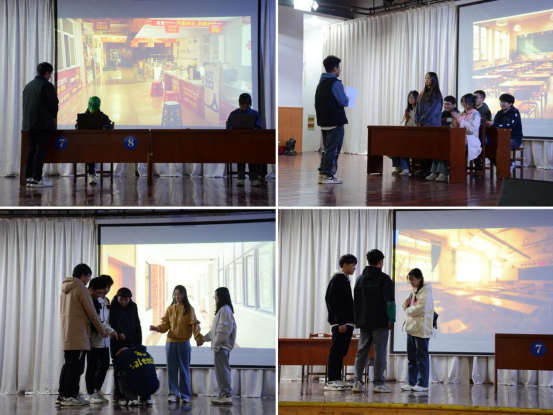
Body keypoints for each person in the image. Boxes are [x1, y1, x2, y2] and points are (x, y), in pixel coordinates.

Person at [57, 264, 116, 406]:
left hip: (68, 332)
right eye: (88, 277)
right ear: (83, 275)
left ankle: (63, 395)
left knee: (68, 365)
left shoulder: (65, 289)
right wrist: (102, 330)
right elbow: (92, 313)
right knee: (76, 367)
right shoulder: (80, 288)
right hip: (79, 333)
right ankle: (70, 395)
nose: (88, 280)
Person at [150, 285, 203, 404]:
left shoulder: (189, 309)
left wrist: (198, 338)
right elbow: (166, 325)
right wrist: (157, 328)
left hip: (184, 343)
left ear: (184, 295)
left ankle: (185, 395)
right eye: (175, 294)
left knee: (184, 369)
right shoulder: (170, 309)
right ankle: (173, 394)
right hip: (170, 343)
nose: (177, 296)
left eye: (179, 294)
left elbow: (194, 325)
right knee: (171, 369)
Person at [352, 249, 395, 393]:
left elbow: (356, 303)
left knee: (361, 352)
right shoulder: (385, 279)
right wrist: (391, 319)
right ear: (380, 262)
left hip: (364, 322)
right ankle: (378, 384)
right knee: (379, 352)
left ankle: (357, 382)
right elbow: (390, 302)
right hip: (381, 322)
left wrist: (358, 320)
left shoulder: (359, 279)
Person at [427, 94, 482, 182]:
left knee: (445, 146)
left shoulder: (475, 114)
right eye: (462, 102)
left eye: (466, 102)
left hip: (470, 139)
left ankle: (443, 173)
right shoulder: (463, 113)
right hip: (459, 138)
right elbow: (455, 127)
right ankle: (435, 171)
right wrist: (454, 124)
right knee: (439, 144)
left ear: (472, 103)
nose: (464, 104)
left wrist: (459, 119)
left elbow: (472, 130)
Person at [22, 62, 59, 188]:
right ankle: (37, 178)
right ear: (47, 73)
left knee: (31, 149)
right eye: (50, 74)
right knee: (40, 150)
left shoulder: (28, 86)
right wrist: (53, 115)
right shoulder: (47, 86)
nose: (50, 76)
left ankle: (29, 178)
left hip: (29, 124)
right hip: (43, 124)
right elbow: (53, 105)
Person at [198, 287, 237, 405]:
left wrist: (217, 344)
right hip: (220, 346)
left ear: (222, 297)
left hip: (221, 347)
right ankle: (224, 394)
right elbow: (215, 331)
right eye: (214, 296)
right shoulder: (222, 310)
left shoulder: (225, 310)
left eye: (217, 296)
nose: (215, 298)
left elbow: (224, 330)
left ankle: (226, 395)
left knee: (223, 371)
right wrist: (203, 339)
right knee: (221, 372)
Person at [323, 254, 357, 391]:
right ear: (345, 265)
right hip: (340, 324)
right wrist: (341, 322)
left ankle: (337, 379)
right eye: (353, 265)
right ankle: (332, 380)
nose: (354, 268)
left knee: (341, 352)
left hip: (346, 322)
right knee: (336, 352)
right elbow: (332, 300)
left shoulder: (344, 279)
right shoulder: (338, 278)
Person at [315, 55, 349, 185]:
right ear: (335, 68)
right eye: (339, 67)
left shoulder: (321, 83)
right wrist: (347, 99)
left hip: (324, 122)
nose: (339, 70)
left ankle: (322, 174)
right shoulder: (335, 83)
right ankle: (328, 175)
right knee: (333, 149)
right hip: (335, 122)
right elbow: (342, 101)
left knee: (326, 149)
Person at [401, 268, 435, 392]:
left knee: (421, 357)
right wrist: (406, 306)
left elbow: (421, 309)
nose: (411, 282)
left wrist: (407, 310)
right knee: (411, 358)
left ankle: (423, 384)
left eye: (413, 280)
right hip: (411, 329)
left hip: (421, 330)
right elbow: (404, 305)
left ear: (420, 279)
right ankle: (411, 382)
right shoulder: (413, 291)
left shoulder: (426, 291)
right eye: (410, 280)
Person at [85, 277, 117, 404]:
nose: (107, 290)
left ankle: (96, 390)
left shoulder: (107, 300)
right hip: (94, 337)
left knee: (104, 365)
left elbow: (107, 319)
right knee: (92, 366)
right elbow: (96, 319)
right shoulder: (92, 299)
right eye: (105, 287)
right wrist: (109, 330)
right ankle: (89, 392)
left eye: (109, 287)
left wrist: (109, 330)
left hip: (105, 339)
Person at [109, 287, 143, 403]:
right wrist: (118, 333)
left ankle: (130, 391)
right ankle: (118, 392)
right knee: (118, 367)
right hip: (117, 342)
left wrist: (138, 343)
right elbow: (111, 323)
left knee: (132, 367)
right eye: (121, 299)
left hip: (132, 342)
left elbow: (137, 324)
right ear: (117, 297)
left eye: (126, 299)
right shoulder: (112, 307)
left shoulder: (133, 306)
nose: (124, 302)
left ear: (130, 299)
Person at [226, 93, 263, 187]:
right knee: (240, 158)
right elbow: (229, 127)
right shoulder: (234, 113)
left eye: (247, 103)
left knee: (252, 158)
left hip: (252, 141)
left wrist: (250, 130)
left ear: (250, 103)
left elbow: (259, 127)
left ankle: (254, 179)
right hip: (238, 141)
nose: (245, 105)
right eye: (243, 103)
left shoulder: (254, 113)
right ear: (240, 103)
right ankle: (240, 178)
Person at [75, 96, 114, 185]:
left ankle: (91, 173)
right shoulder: (83, 116)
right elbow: (76, 126)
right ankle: (91, 173)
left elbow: (109, 126)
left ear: (99, 105)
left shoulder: (104, 117)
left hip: (100, 144)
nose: (92, 106)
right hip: (86, 145)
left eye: (94, 104)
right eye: (90, 104)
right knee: (90, 149)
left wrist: (103, 128)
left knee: (92, 149)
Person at [414, 72, 443, 177]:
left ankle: (430, 170)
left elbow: (432, 111)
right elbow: (416, 110)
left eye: (429, 78)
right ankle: (423, 169)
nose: (426, 80)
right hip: (421, 126)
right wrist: (417, 120)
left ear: (433, 80)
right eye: (426, 78)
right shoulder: (422, 94)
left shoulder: (436, 95)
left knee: (430, 149)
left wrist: (421, 121)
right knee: (422, 149)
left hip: (431, 126)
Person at [486, 93, 523, 171]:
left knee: (503, 145)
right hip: (501, 138)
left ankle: (508, 166)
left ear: (510, 104)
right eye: (501, 102)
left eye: (504, 102)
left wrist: (494, 124)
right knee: (488, 148)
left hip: (514, 138)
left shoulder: (515, 112)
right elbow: (495, 124)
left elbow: (509, 125)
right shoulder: (499, 113)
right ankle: (505, 166)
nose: (502, 104)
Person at [391, 91, 419, 176]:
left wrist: (409, 119)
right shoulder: (407, 110)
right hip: (406, 134)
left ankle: (406, 168)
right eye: (409, 97)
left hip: (415, 135)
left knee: (402, 145)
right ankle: (398, 166)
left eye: (413, 97)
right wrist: (407, 119)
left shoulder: (419, 110)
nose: (411, 99)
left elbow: (416, 124)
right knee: (393, 144)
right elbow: (402, 122)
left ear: (417, 98)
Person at [473, 90, 492, 170]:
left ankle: (478, 167)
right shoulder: (472, 108)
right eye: (473, 97)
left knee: (473, 144)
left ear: (482, 99)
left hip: (483, 135)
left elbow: (481, 125)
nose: (474, 99)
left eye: (476, 97)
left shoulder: (486, 110)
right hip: (474, 134)